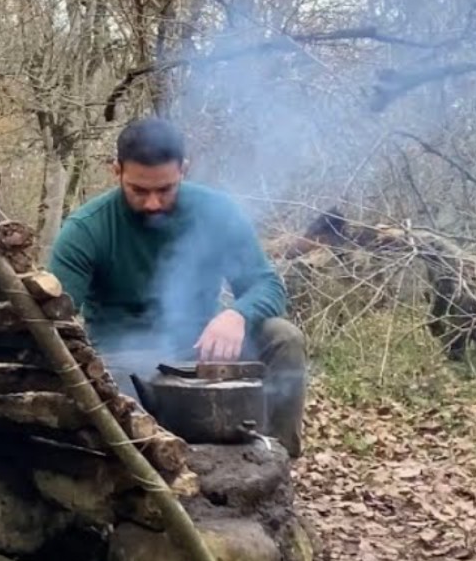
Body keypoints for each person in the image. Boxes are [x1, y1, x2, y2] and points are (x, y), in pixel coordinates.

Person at [46, 117, 308, 456]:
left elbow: (267, 284)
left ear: (183, 170)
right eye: (139, 190)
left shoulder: (216, 212)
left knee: (283, 337)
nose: (153, 203)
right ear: (117, 171)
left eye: (165, 189)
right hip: (121, 358)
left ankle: (276, 460)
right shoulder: (87, 228)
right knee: (114, 388)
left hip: (203, 348)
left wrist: (237, 316)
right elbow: (54, 318)